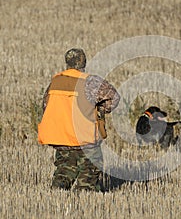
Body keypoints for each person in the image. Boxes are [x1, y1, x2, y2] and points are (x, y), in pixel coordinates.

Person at [38, 48, 120, 192]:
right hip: (85, 141)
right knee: (88, 178)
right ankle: (84, 199)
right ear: (84, 62)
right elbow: (114, 98)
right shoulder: (90, 81)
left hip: (61, 140)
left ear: (67, 62)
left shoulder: (55, 82)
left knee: (63, 174)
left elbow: (45, 106)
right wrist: (100, 109)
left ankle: (58, 202)